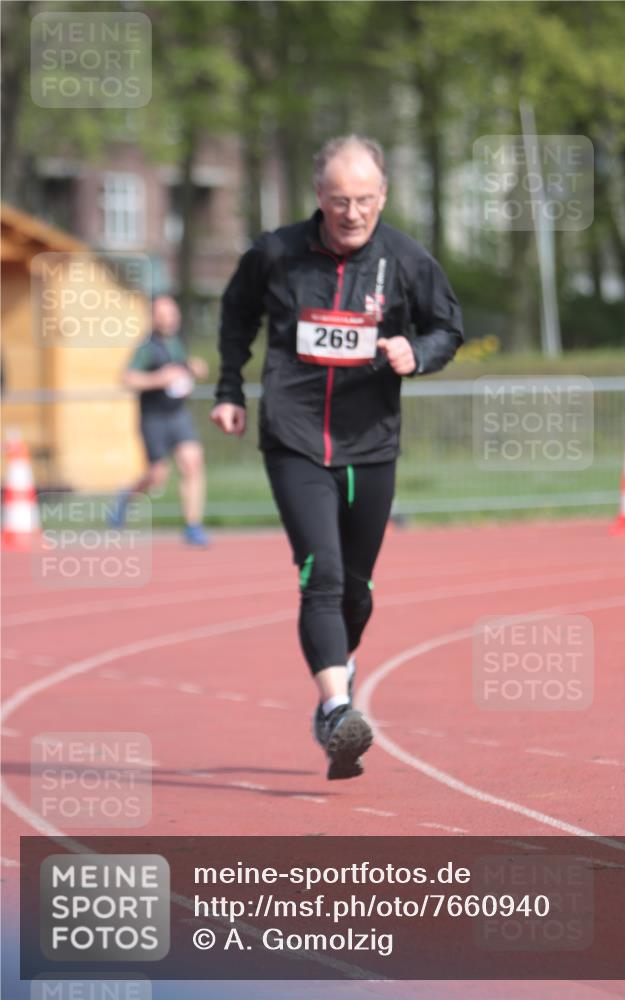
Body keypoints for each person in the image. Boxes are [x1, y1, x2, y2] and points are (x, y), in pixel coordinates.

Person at [211, 135, 463, 778]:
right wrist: (229, 389)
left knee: (356, 589)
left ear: (384, 196)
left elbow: (447, 328)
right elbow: (237, 315)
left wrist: (417, 353)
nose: (353, 213)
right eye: (340, 200)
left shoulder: (406, 259)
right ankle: (336, 710)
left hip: (370, 440)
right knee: (319, 573)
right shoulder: (276, 254)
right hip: (294, 436)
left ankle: (338, 673)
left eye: (365, 200)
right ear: (319, 197)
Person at [110, 295, 209, 546]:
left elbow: (184, 369)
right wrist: (159, 379)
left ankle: (193, 526)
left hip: (179, 414)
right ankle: (125, 498)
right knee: (157, 476)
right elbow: (126, 378)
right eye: (163, 315)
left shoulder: (179, 341)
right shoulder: (146, 347)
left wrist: (195, 368)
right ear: (154, 318)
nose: (169, 320)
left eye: (172, 314)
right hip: (154, 417)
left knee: (193, 463)